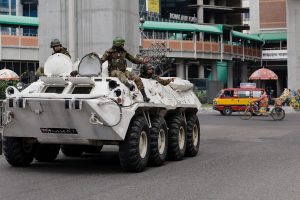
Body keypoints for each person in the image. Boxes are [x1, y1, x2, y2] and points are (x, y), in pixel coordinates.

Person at [99, 37, 150, 102]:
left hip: (124, 70)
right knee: (120, 73)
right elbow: (101, 60)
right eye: (122, 44)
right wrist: (95, 58)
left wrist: (143, 61)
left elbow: (133, 59)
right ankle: (128, 85)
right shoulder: (109, 52)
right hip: (113, 71)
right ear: (118, 45)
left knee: (136, 78)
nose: (123, 46)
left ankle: (144, 96)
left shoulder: (123, 52)